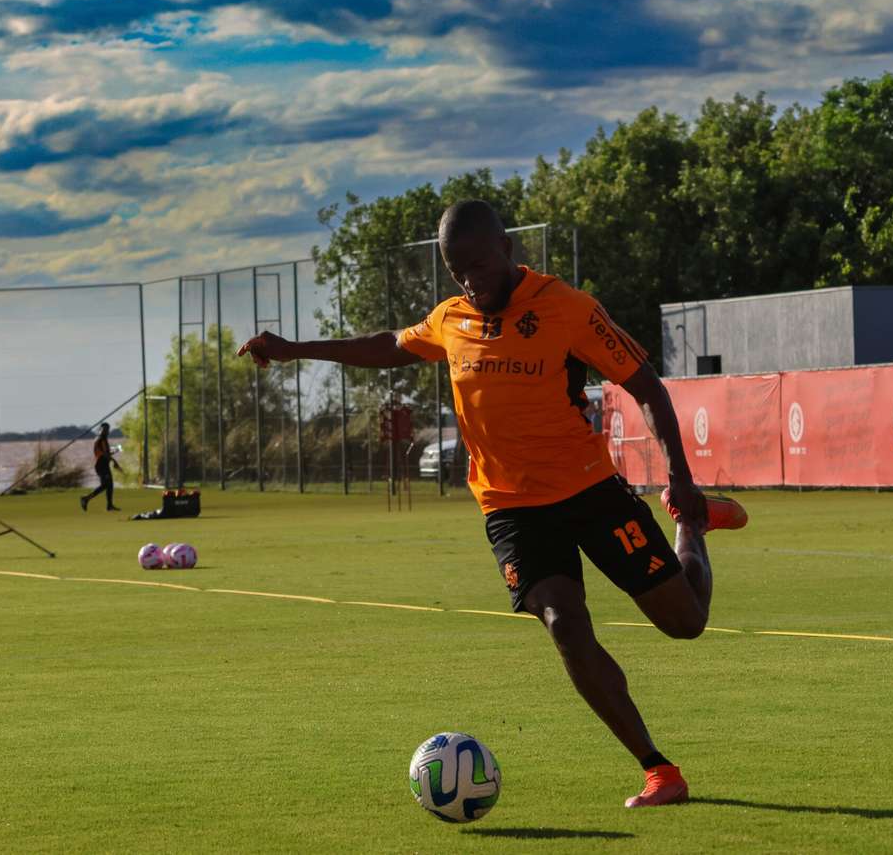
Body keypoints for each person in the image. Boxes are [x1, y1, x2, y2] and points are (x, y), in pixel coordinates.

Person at [238, 200, 737, 808]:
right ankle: (659, 769)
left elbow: (647, 388)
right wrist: (294, 350)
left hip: (589, 491)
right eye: (457, 271)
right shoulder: (450, 320)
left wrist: (680, 481)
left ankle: (696, 524)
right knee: (564, 623)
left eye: (479, 264)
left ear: (507, 249)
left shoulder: (569, 308)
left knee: (684, 623)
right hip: (511, 508)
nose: (471, 280)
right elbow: (387, 345)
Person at [80, 422, 120, 512]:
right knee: (105, 485)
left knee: (110, 485)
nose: (106, 431)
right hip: (101, 465)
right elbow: (105, 454)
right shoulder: (101, 439)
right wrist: (115, 461)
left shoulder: (101, 439)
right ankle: (86, 498)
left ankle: (109, 506)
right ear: (101, 430)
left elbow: (106, 452)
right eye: (104, 429)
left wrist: (115, 450)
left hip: (103, 464)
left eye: (107, 429)